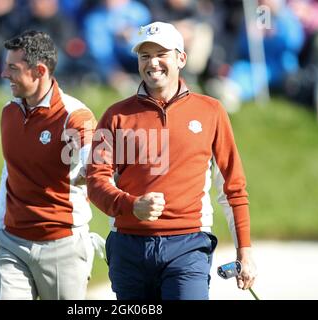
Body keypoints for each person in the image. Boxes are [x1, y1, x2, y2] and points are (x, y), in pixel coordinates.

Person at [86, 21, 257, 300]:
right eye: (145, 56)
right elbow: (95, 181)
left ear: (181, 58)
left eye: (161, 54)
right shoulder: (115, 115)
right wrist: (131, 206)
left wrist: (245, 253)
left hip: (188, 246)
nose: (153, 63)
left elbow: (232, 188)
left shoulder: (211, 111)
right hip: (128, 248)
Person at [0, 30, 100, 300]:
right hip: (11, 244)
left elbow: (91, 152)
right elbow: (9, 175)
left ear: (39, 71)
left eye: (13, 68)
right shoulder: (9, 112)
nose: (4, 74)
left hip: (64, 246)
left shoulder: (74, 115)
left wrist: (90, 167)